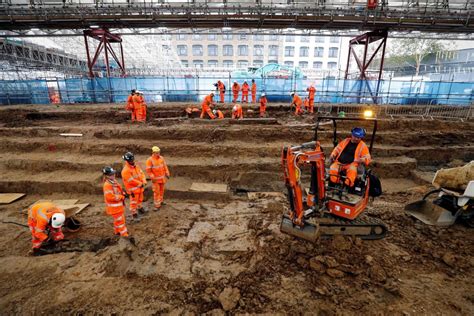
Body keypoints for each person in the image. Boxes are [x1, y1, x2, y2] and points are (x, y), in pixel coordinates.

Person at [102, 166, 129, 237]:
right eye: (111, 174)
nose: (113, 175)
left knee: (117, 221)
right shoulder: (107, 185)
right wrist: (122, 197)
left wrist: (123, 193)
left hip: (118, 207)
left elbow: (118, 191)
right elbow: (110, 197)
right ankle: (124, 235)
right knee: (121, 222)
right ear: (107, 176)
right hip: (115, 209)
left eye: (113, 173)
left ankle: (117, 232)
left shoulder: (113, 181)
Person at [121, 152, 147, 220]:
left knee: (140, 199)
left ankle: (139, 208)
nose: (132, 161)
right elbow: (131, 181)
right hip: (133, 190)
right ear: (127, 161)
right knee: (133, 202)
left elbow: (142, 174)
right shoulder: (125, 171)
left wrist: (144, 181)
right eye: (130, 160)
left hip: (140, 188)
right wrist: (140, 183)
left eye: (132, 160)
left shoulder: (136, 166)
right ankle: (134, 213)